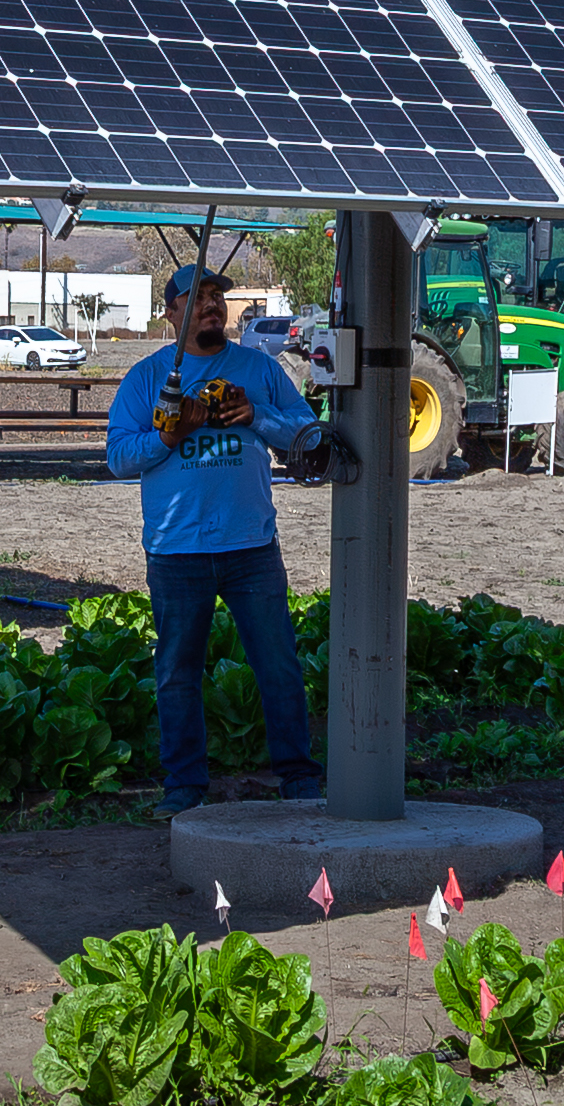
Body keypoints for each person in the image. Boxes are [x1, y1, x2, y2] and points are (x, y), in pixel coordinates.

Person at [104, 263, 352, 815]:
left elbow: (310, 434)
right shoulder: (146, 379)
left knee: (279, 665)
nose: (213, 305)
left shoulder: (259, 370)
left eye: (218, 296)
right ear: (171, 312)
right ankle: (185, 788)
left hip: (251, 547)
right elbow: (119, 457)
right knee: (176, 673)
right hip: (176, 551)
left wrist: (256, 415)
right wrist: (170, 435)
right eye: (198, 298)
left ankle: (298, 781)